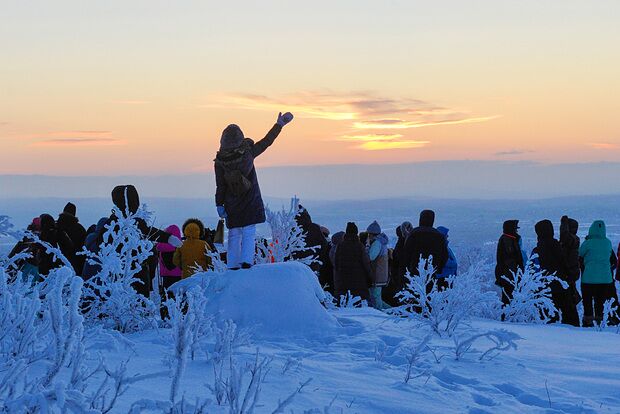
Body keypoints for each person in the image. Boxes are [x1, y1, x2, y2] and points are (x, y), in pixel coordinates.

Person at [214, 112, 294, 270]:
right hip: (250, 199)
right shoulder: (248, 153)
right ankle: (246, 261)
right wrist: (279, 125)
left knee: (234, 232)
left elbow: (220, 185)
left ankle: (232, 264)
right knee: (249, 230)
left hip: (231, 202)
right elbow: (267, 142)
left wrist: (219, 204)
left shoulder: (220, 161)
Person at [531, 219, 578, 326]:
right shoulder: (557, 246)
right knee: (569, 315)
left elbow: (532, 270)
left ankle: (550, 339)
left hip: (544, 287)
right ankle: (575, 335)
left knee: (548, 318)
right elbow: (565, 263)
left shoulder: (537, 250)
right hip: (562, 284)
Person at [579, 220, 618, 327]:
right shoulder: (608, 243)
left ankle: (588, 321)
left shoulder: (587, 243)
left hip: (588, 279)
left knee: (587, 301)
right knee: (599, 301)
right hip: (605, 279)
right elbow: (613, 260)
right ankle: (600, 321)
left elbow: (580, 255)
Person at [402, 210, 448, 277]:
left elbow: (406, 253)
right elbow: (444, 255)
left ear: (420, 219)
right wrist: (438, 269)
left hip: (414, 271)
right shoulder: (439, 236)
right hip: (432, 271)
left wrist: (408, 268)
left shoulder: (413, 233)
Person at [334, 222, 371, 302]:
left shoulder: (340, 245)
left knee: (344, 300)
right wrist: (369, 276)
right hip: (358, 278)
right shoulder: (359, 245)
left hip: (343, 278)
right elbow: (366, 262)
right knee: (358, 300)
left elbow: (336, 262)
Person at [495, 220, 525, 307]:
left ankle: (508, 316)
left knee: (508, 299)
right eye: (515, 229)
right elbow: (513, 258)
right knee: (508, 299)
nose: (516, 231)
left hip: (509, 275)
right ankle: (507, 317)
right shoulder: (508, 240)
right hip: (509, 276)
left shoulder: (508, 239)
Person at [559, 215, 582, 326]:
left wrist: (563, 223)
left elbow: (564, 236)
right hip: (571, 273)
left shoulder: (571, 240)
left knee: (569, 302)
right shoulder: (574, 240)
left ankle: (572, 324)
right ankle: (571, 322)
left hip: (569, 274)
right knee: (569, 300)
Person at [293, 205, 329, 274]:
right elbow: (324, 244)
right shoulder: (314, 228)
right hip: (313, 262)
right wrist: (319, 258)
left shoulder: (293, 229)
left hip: (297, 264)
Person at [56, 202, 87, 275]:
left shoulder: (56, 226)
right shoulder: (79, 228)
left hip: (58, 261)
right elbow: (83, 247)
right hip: (75, 262)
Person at [366, 221, 390, 310]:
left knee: (376, 298)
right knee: (376, 297)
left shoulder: (377, 243)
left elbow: (371, 257)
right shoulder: (382, 243)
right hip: (381, 273)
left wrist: (367, 247)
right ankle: (394, 311)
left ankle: (383, 315)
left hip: (377, 274)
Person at [156, 225, 183, 290]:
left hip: (165, 274)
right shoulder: (180, 245)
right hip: (178, 274)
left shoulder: (160, 245)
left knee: (167, 293)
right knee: (177, 293)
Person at [436, 226, 458, 291]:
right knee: (444, 298)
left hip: (446, 277)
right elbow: (443, 260)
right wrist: (454, 264)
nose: (447, 236)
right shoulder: (440, 246)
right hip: (443, 278)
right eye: (446, 234)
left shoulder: (444, 245)